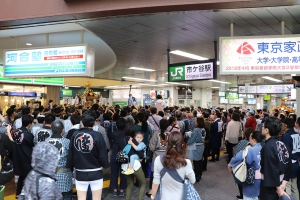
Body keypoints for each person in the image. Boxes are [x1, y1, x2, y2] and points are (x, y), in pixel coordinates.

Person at [67, 110, 109, 200]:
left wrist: (70, 168)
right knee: (96, 198)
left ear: (82, 122)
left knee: (81, 198)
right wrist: (104, 165)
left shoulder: (75, 134)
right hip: (96, 171)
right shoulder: (98, 135)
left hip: (80, 172)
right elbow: (103, 154)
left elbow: (71, 152)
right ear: (94, 122)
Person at [150, 131, 196, 200]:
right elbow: (193, 180)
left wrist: (152, 197)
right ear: (183, 145)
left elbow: (156, 182)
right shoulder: (186, 162)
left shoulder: (158, 160)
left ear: (167, 144)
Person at [260, 117, 292, 199]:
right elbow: (289, 165)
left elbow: (271, 169)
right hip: (281, 183)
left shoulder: (267, 147)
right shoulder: (283, 144)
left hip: (271, 187)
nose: (262, 128)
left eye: (263, 126)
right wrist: (284, 183)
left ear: (267, 130)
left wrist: (278, 188)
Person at [228, 131, 263, 200]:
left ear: (253, 139)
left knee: (248, 196)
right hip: (261, 177)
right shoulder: (262, 147)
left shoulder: (250, 149)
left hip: (251, 177)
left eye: (250, 138)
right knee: (256, 196)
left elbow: (241, 158)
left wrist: (230, 164)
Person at [117, 123, 146, 200]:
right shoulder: (135, 140)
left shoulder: (120, 140)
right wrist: (142, 157)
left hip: (125, 165)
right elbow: (141, 154)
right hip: (135, 166)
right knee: (143, 183)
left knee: (130, 185)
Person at [46, 121, 73, 200]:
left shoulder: (45, 142)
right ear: (62, 130)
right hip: (64, 175)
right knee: (66, 196)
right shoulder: (67, 142)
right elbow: (71, 159)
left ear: (51, 129)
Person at [12, 114, 34, 197]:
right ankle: (28, 194)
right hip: (26, 157)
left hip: (17, 156)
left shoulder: (16, 131)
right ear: (29, 124)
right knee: (29, 176)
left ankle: (18, 193)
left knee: (22, 175)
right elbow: (32, 145)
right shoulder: (29, 135)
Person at [147, 119, 170, 197]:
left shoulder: (156, 134)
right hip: (167, 155)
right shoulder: (170, 134)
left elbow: (151, 146)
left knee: (155, 172)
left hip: (157, 155)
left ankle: (153, 189)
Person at [281, 118, 300, 199]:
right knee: (294, 186)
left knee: (287, 185)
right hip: (297, 163)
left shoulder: (287, 136)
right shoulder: (297, 135)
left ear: (285, 125)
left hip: (289, 164)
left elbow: (285, 152)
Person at [110, 118, 127, 197]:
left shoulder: (113, 134)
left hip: (115, 154)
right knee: (123, 173)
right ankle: (122, 190)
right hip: (124, 155)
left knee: (114, 173)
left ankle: (115, 190)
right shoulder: (126, 135)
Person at [187, 117, 206, 182]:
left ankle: (196, 176)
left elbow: (192, 139)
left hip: (196, 147)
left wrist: (188, 142)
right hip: (202, 146)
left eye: (196, 121)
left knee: (196, 162)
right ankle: (199, 174)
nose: (195, 122)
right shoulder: (203, 129)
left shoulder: (196, 130)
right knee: (200, 160)